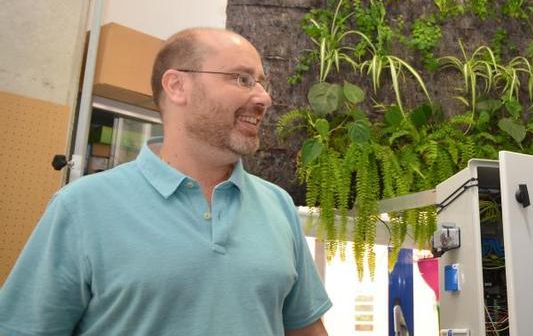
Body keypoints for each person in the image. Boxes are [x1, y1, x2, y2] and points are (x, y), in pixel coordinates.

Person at [0, 28, 332, 335]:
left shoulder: (278, 205)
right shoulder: (81, 207)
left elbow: (305, 329)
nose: (264, 98)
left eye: (261, 83)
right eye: (242, 79)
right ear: (176, 86)